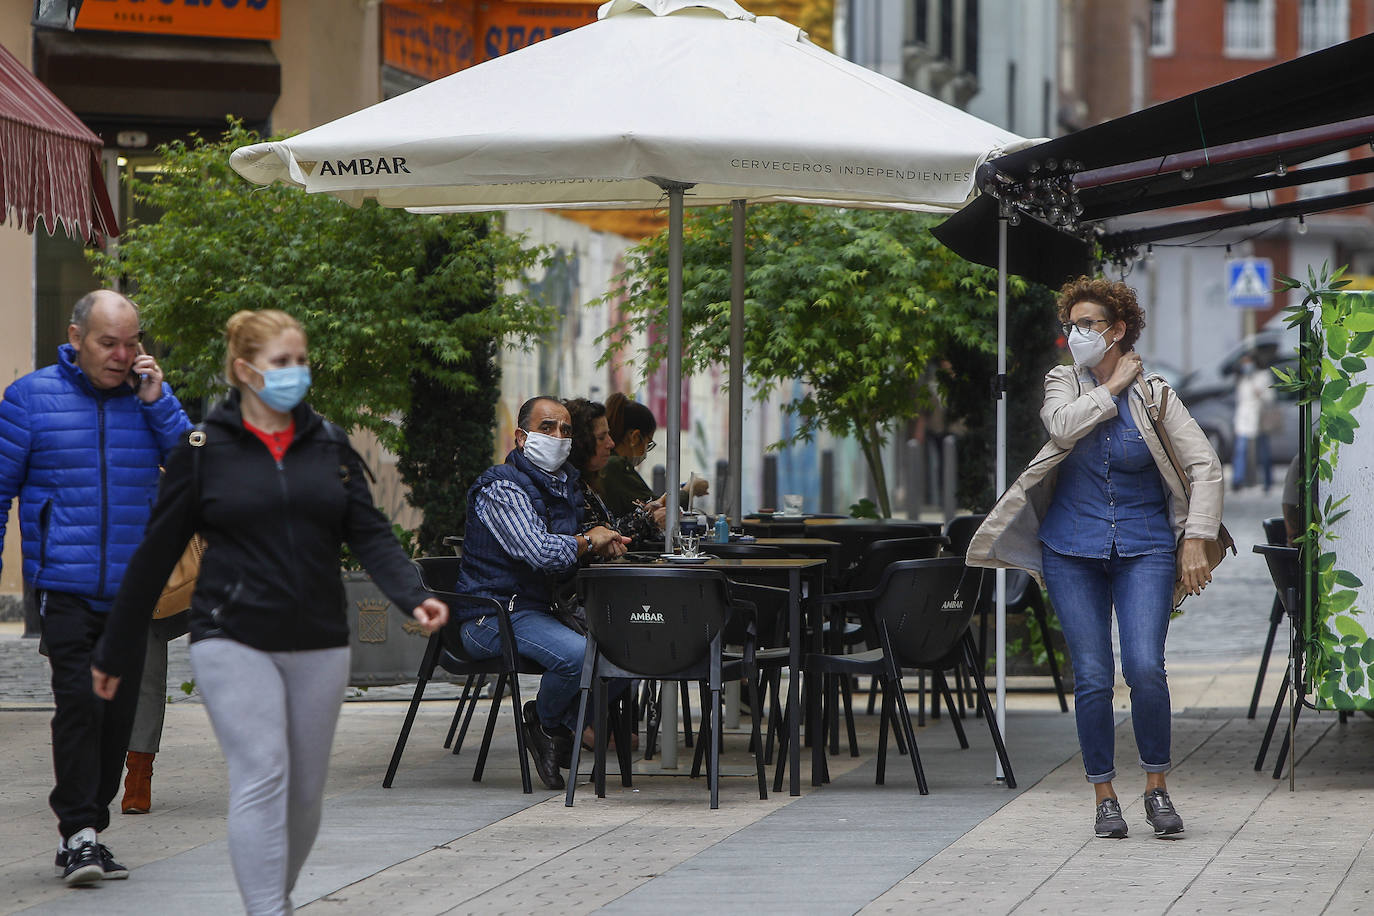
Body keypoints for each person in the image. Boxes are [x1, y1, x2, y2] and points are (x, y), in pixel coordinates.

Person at [90, 309, 448, 915]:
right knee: (262, 772)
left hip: (318, 638)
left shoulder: (329, 445)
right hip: (232, 634)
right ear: (244, 370)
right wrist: (117, 646)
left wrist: (412, 593)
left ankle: (272, 894)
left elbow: (370, 533)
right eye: (282, 363)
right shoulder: (203, 451)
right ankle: (268, 910)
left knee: (305, 793)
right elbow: (153, 557)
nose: (295, 373)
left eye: (301, 361)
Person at [968, 276, 1223, 841]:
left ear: (1119, 329)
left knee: (1144, 669)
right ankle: (1105, 796)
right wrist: (1110, 391)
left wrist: (1197, 537)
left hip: (1146, 547)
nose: (1077, 334)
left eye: (1089, 324)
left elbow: (1204, 466)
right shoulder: (1063, 381)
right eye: (1072, 325)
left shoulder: (1156, 394)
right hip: (1070, 548)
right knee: (1091, 675)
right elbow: (1060, 427)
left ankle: (1157, 788)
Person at [0, 290, 192, 886]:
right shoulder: (29, 399)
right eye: (109, 342)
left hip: (134, 594)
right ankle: (79, 833)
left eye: (132, 342)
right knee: (80, 707)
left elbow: (193, 467)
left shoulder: (148, 400)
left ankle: (91, 827)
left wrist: (159, 402)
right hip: (65, 587)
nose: (121, 354)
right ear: (76, 336)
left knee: (117, 717)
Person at [446, 395, 630, 790]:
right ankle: (549, 726)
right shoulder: (500, 487)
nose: (557, 436)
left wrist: (606, 542)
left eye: (565, 430)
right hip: (491, 615)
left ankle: (552, 727)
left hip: (540, 611)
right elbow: (541, 552)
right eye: (546, 427)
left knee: (628, 651)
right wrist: (586, 541)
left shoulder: (564, 487)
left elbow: (574, 552)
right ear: (521, 437)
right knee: (582, 657)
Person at [565, 396, 662, 547]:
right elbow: (601, 542)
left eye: (608, 435)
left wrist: (646, 515)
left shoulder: (586, 482)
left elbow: (610, 530)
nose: (610, 443)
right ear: (580, 442)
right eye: (602, 437)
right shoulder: (569, 487)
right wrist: (649, 519)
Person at [598, 392, 707, 524]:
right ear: (635, 437)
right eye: (648, 443)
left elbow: (653, 504)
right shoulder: (615, 465)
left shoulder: (612, 464)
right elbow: (655, 509)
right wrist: (688, 490)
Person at [120, 612, 189, 814]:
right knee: (83, 685)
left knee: (148, 679)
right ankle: (84, 780)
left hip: (144, 594)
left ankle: (138, 779)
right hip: (83, 593)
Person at [1232, 351, 1275, 492]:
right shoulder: (1241, 378)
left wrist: (1260, 392)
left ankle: (1267, 481)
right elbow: (1240, 400)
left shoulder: (1263, 376)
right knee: (1241, 450)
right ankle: (1237, 480)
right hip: (1243, 419)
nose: (1246, 365)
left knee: (1264, 452)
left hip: (1259, 418)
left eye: (1248, 362)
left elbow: (1271, 398)